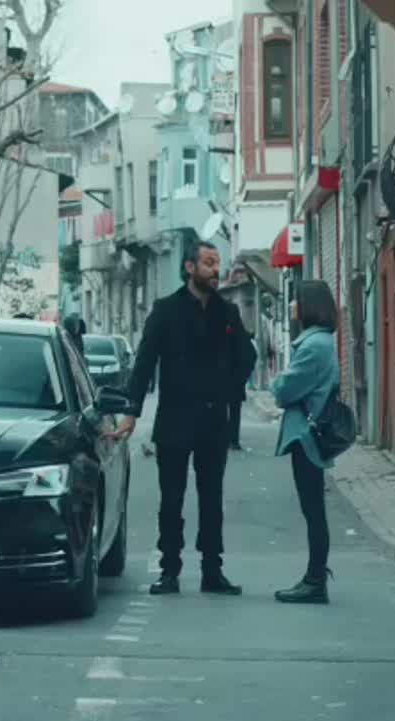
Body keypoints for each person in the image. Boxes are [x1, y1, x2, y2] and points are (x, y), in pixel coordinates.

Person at [108, 241, 256, 596]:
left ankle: (212, 571)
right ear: (190, 267)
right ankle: (169, 570)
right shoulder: (166, 311)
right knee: (171, 499)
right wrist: (131, 412)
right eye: (208, 263)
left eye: (217, 263)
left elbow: (246, 358)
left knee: (212, 498)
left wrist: (227, 389)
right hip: (174, 419)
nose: (215, 269)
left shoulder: (227, 312)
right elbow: (144, 363)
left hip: (213, 421)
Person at [269, 279, 340, 605]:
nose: (292, 305)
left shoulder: (313, 346)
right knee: (313, 509)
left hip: (306, 436)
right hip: (311, 432)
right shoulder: (319, 342)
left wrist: (277, 383)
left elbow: (285, 390)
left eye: (296, 300)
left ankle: (315, 580)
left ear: (310, 305)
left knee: (313, 510)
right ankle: (315, 576)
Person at [227, 331, 256, 451]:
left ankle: (229, 440)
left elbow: (252, 355)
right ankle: (232, 440)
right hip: (235, 382)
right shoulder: (239, 334)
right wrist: (243, 376)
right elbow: (252, 355)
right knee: (234, 412)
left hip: (226, 381)